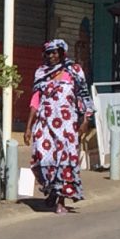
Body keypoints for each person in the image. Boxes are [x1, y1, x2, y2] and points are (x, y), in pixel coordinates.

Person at [28, 36, 96, 214]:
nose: (51, 56)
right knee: (42, 159)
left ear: (62, 53)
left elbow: (83, 96)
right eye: (48, 53)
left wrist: (85, 120)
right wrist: (28, 127)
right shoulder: (41, 73)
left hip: (67, 124)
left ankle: (61, 200)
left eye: (55, 53)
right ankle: (51, 190)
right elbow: (35, 100)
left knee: (64, 161)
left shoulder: (74, 71)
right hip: (45, 124)